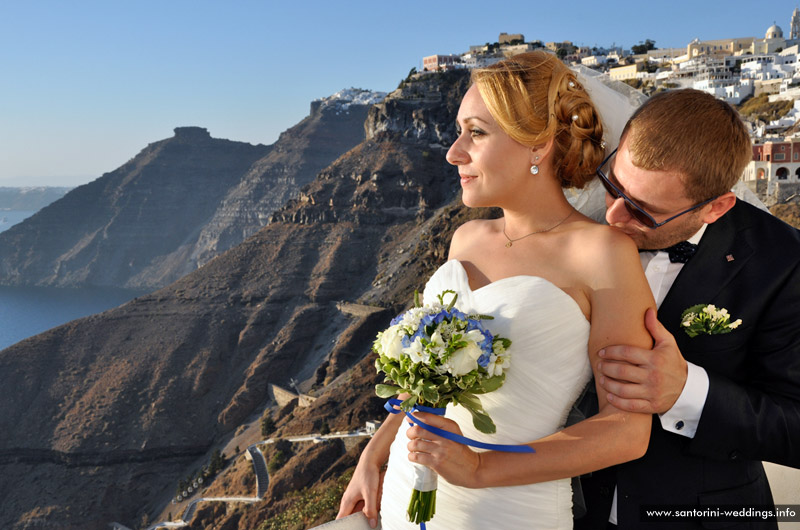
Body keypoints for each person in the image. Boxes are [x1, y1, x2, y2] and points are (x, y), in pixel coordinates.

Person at [337, 51, 656, 529]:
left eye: (477, 133)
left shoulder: (602, 254)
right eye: (460, 131)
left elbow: (627, 432)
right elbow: (427, 383)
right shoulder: (465, 239)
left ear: (538, 145)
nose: (454, 151)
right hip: (408, 491)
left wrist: (481, 469)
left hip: (509, 507)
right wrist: (373, 456)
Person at [577, 89, 800, 529]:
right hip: (572, 507)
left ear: (715, 208)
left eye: (644, 211)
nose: (614, 218)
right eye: (613, 186)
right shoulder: (575, 222)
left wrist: (686, 393)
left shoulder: (784, 264)